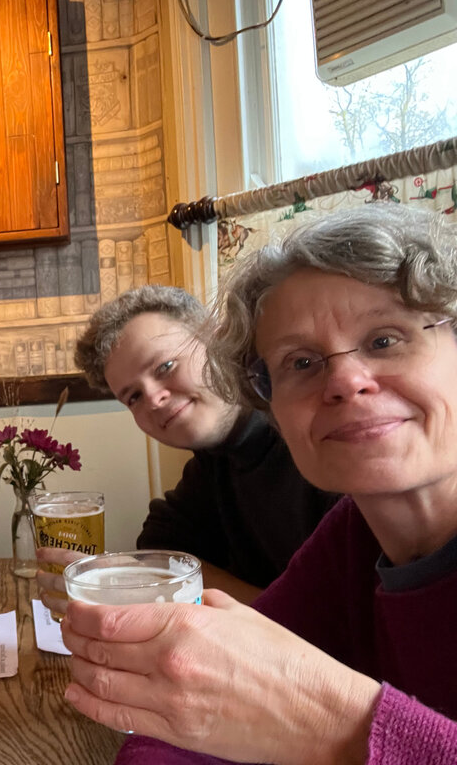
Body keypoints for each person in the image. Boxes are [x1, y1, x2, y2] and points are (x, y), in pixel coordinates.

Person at [62, 203, 457, 764]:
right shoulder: (352, 536)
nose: (345, 381)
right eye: (302, 363)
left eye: (384, 340)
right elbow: (169, 727)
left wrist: (338, 724)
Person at [37, 285, 336, 608]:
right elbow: (158, 546)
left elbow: (341, 625)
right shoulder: (212, 465)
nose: (153, 399)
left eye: (165, 367)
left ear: (218, 341)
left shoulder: (320, 447)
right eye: (134, 396)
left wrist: (169, 587)